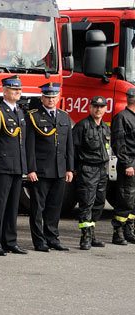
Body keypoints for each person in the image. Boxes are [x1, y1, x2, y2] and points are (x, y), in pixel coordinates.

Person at [0, 75, 29, 256]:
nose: (18, 92)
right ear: (4, 91)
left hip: (17, 166)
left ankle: (10, 241)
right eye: (13, 89)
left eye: (19, 89)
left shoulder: (19, 112)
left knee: (13, 206)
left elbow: (21, 142)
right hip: (1, 166)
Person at [25, 82, 74, 252]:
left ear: (58, 97)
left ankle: (52, 238)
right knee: (38, 208)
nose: (51, 100)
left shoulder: (64, 116)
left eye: (54, 97)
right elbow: (29, 145)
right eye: (48, 97)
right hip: (41, 170)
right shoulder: (33, 116)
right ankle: (39, 241)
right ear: (42, 98)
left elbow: (69, 146)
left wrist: (70, 168)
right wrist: (30, 169)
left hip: (60, 169)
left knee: (54, 207)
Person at [72, 96, 110, 250]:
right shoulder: (82, 126)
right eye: (95, 106)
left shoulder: (105, 128)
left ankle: (92, 234)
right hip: (87, 168)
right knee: (87, 202)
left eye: (101, 107)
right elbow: (73, 149)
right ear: (90, 108)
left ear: (105, 109)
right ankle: (85, 237)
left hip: (102, 169)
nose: (98, 109)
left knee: (99, 203)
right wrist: (73, 168)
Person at [110, 88, 135, 245]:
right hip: (129, 163)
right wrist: (127, 163)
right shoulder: (122, 117)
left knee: (133, 200)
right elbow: (119, 143)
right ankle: (117, 231)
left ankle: (128, 229)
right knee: (125, 198)